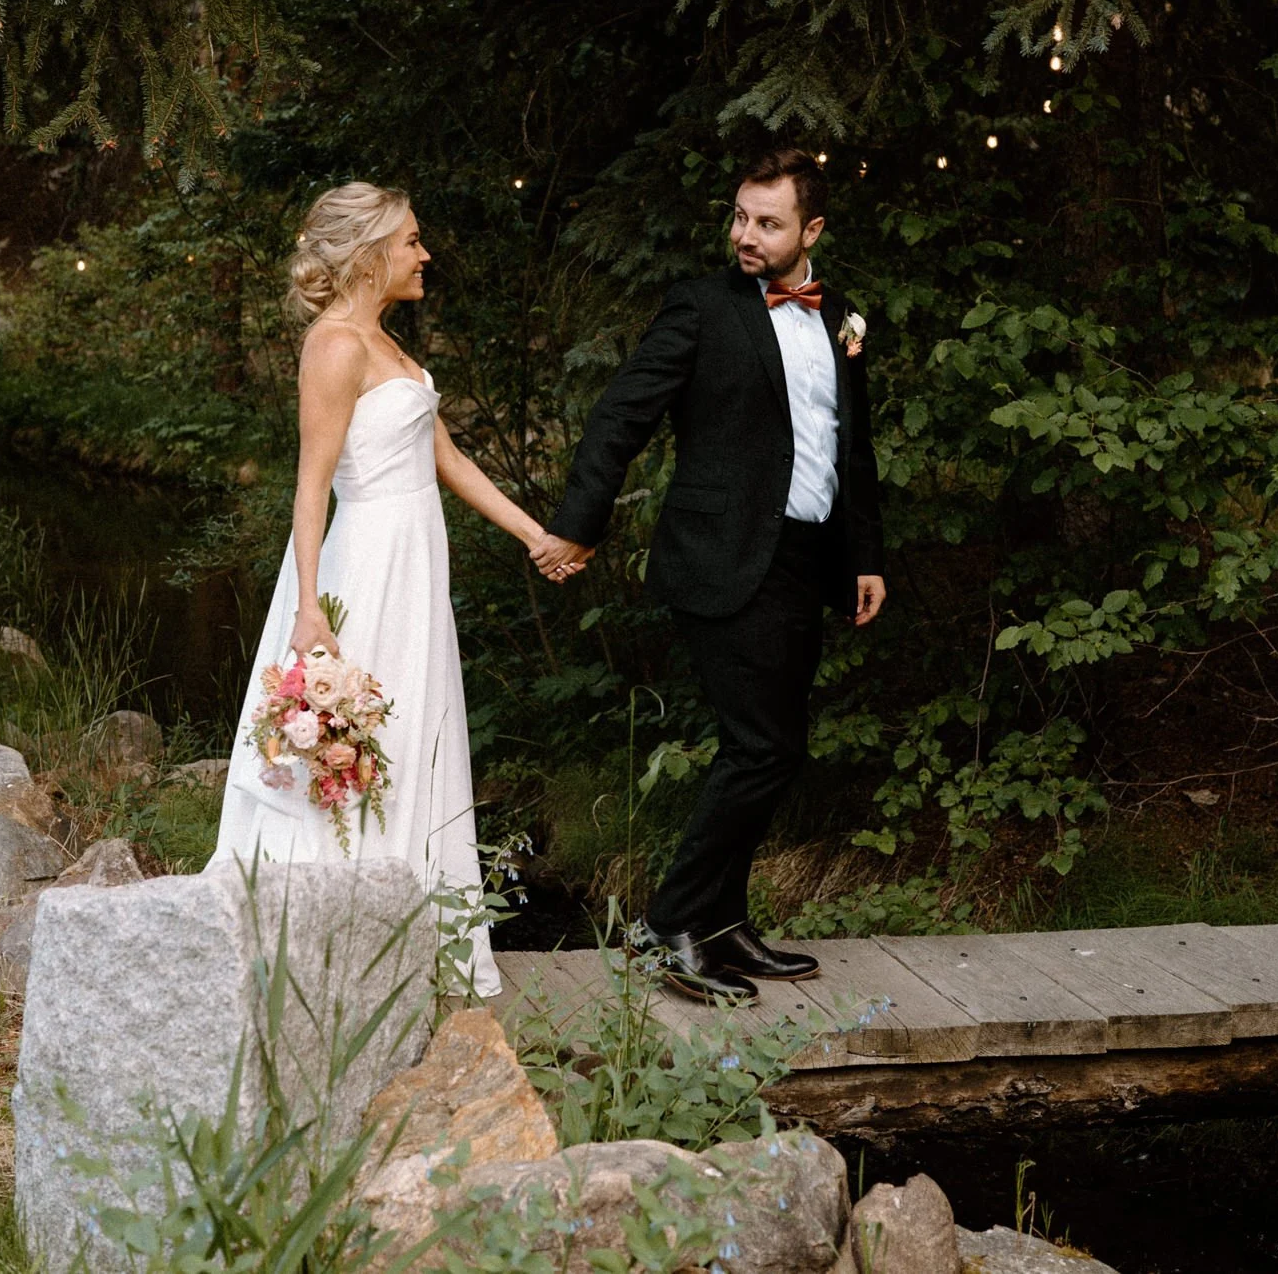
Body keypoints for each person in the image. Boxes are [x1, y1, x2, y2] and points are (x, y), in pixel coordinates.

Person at [533, 147, 887, 1003]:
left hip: (806, 559)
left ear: (812, 230)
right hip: (722, 557)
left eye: (767, 222)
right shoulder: (700, 307)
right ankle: (670, 925)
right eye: (739, 217)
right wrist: (578, 526)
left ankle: (722, 926)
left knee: (773, 746)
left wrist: (865, 555)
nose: (746, 235)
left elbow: (852, 445)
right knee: (761, 746)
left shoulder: (840, 316)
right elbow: (623, 412)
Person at [210, 182, 562, 998]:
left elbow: (453, 462)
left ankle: (410, 946)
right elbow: (310, 488)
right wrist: (307, 609)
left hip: (418, 573)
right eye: (410, 240)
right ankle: (324, 956)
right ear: (370, 255)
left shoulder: (392, 347)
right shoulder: (334, 346)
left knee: (416, 739)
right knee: (354, 748)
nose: (424, 253)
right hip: (365, 570)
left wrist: (534, 535)